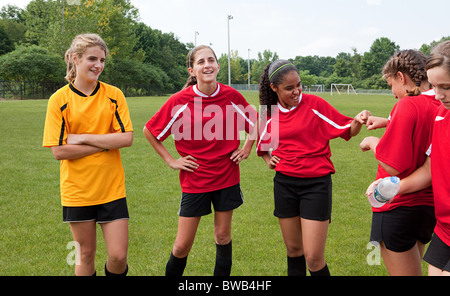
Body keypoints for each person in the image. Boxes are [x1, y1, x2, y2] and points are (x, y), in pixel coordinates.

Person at [143, 45, 258, 276]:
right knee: (182, 245)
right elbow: (150, 131)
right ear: (192, 70)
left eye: (211, 60)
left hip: (226, 177)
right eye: (201, 62)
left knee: (223, 236)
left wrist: (247, 148)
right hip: (195, 180)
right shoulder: (180, 101)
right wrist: (171, 161)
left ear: (217, 65)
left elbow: (258, 120)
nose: (207, 65)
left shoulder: (231, 95)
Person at [256, 59, 370, 276]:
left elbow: (347, 129)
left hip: (315, 185)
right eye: (289, 88)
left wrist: (357, 120)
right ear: (274, 88)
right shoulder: (267, 112)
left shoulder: (315, 104)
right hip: (284, 185)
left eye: (299, 84)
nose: (297, 91)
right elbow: (263, 142)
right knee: (293, 250)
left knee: (314, 258)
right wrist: (267, 158)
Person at [42, 33, 133, 276]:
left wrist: (82, 137)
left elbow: (126, 138)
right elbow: (59, 151)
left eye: (102, 60)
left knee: (118, 256)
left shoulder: (114, 95)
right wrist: (106, 143)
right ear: (75, 59)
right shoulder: (58, 100)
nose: (99, 65)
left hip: (111, 188)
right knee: (85, 255)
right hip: (78, 191)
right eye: (92, 58)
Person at [360, 50, 439, 276]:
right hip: (428, 208)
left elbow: (394, 166)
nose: (393, 92)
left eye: (391, 84)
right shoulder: (442, 105)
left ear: (401, 77)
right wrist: (389, 122)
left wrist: (374, 142)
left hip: (397, 206)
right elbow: (423, 132)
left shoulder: (407, 105)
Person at [392, 41, 450, 275]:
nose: (438, 95)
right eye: (434, 86)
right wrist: (394, 187)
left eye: (445, 86)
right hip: (444, 229)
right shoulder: (441, 114)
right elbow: (429, 168)